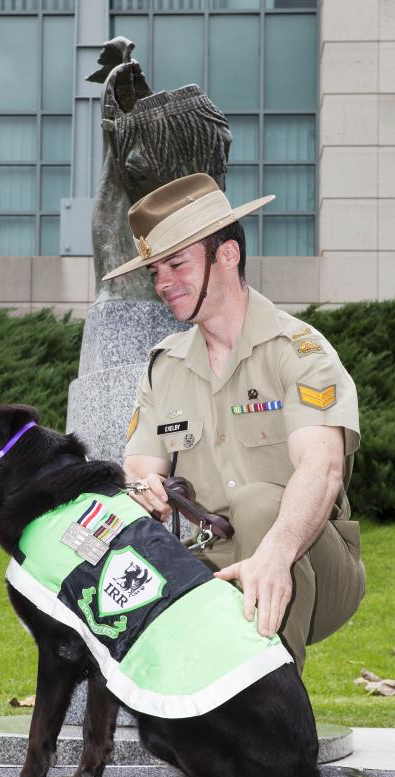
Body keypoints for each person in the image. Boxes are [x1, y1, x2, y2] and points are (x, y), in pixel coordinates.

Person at [104, 173, 365, 673]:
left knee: (260, 501)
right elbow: (140, 463)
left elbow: (322, 469)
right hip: (212, 557)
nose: (163, 283)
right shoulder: (164, 366)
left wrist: (275, 553)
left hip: (307, 558)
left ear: (227, 254)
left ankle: (276, 706)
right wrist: (145, 486)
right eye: (155, 270)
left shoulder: (300, 352)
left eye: (177, 264)